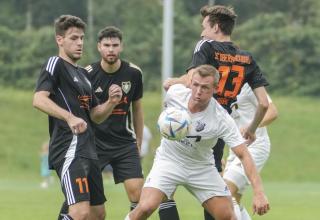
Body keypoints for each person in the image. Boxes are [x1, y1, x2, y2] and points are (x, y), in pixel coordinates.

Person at [162, 5, 270, 220]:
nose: (202, 32)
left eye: (205, 27)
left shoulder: (206, 45)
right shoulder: (247, 58)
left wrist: (171, 82)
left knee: (164, 187)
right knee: (212, 190)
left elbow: (192, 79)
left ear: (216, 27)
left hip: (193, 118)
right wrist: (252, 129)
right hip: (218, 128)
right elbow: (264, 104)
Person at [125, 65, 269, 220]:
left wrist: (259, 192)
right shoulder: (175, 94)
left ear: (215, 88)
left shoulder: (221, 118)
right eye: (195, 85)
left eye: (205, 87)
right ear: (190, 83)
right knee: (146, 207)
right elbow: (168, 84)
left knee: (228, 216)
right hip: (169, 161)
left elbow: (244, 155)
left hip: (201, 167)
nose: (198, 91)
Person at [33, 15, 122, 220]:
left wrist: (111, 102)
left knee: (97, 214)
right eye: (74, 38)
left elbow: (94, 116)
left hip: (89, 150)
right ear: (59, 40)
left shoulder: (84, 74)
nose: (80, 43)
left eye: (82, 38)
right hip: (69, 148)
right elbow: (38, 99)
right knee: (80, 213)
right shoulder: (55, 63)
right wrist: (69, 117)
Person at [85, 26, 144, 212]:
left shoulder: (134, 73)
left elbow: (137, 109)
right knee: (88, 202)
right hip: (94, 143)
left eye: (115, 45)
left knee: (138, 196)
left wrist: (139, 140)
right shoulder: (87, 74)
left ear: (121, 47)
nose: (111, 49)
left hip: (124, 143)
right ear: (99, 47)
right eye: (107, 45)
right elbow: (86, 114)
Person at [223, 83, 278, 219]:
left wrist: (252, 127)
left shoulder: (247, 86)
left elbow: (272, 112)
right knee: (233, 198)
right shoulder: (220, 87)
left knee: (225, 193)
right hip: (236, 149)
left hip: (256, 145)